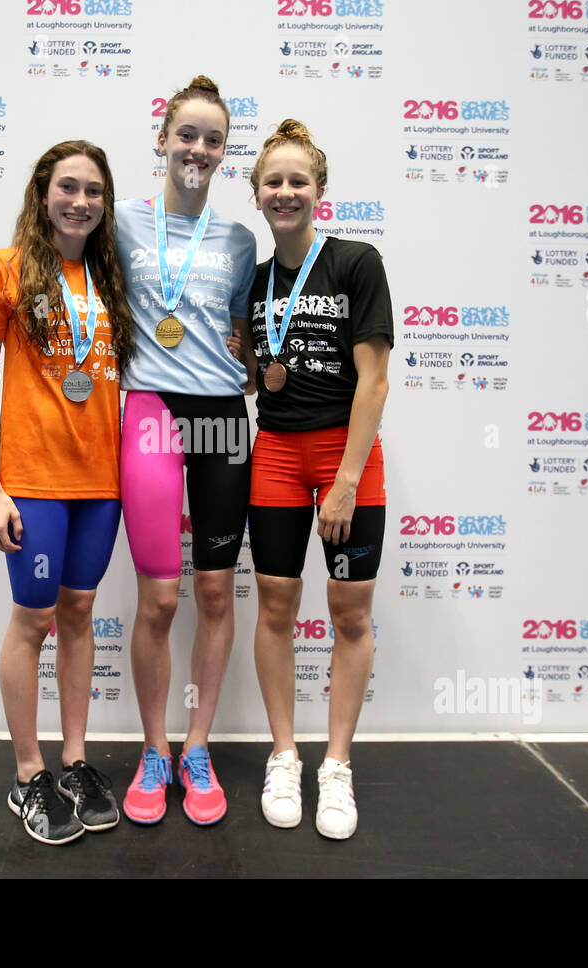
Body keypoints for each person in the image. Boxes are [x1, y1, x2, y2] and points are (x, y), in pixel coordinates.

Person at [0, 140, 135, 845]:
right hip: (32, 480)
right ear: (42, 193)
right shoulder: (0, 270)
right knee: (32, 621)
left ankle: (74, 761)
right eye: (68, 186)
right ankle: (28, 773)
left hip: (102, 481)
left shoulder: (110, 276)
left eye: (95, 190)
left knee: (80, 613)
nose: (81, 201)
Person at [243, 119, 392, 839]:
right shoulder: (256, 278)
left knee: (350, 613)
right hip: (273, 451)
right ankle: (283, 754)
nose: (286, 191)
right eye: (273, 181)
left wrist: (348, 479)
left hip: (344, 456)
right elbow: (252, 371)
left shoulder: (356, 261)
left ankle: (336, 766)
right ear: (257, 194)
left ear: (320, 190)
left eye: (298, 180)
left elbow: (375, 381)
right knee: (274, 606)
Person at [114, 76, 257, 826]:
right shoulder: (122, 223)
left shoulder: (238, 240)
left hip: (223, 418)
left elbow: (240, 335)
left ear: (224, 153)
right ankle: (153, 749)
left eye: (213, 139)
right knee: (160, 597)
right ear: (163, 138)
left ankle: (196, 746)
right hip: (150, 410)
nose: (198, 149)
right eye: (187, 134)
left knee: (213, 592)